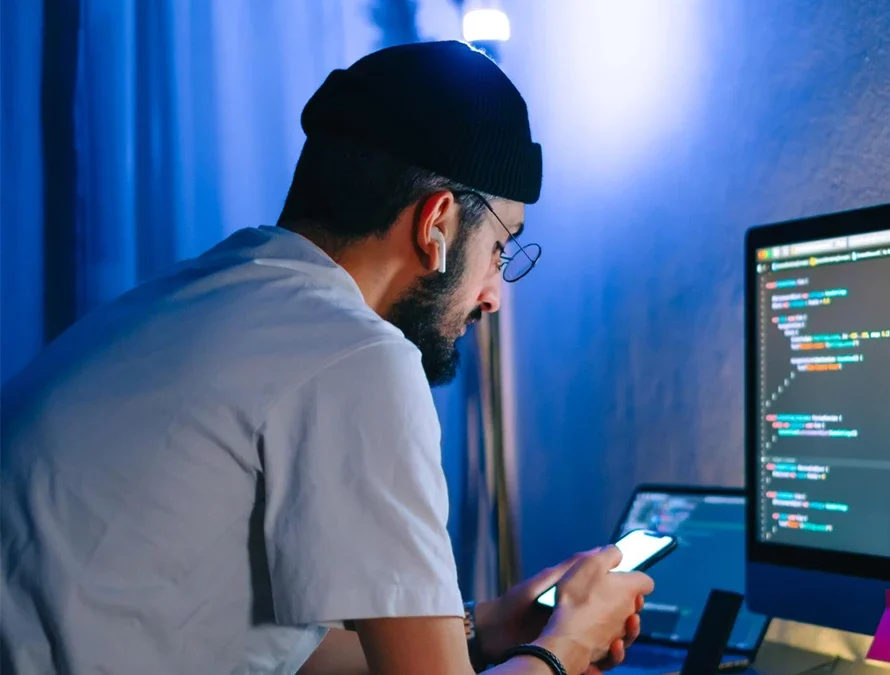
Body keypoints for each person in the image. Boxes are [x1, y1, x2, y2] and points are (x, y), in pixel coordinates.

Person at [0, 41, 653, 675]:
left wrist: (483, 626)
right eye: (501, 249)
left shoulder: (203, 297)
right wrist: (568, 643)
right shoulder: (358, 355)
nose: (493, 296)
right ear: (439, 224)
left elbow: (254, 648)